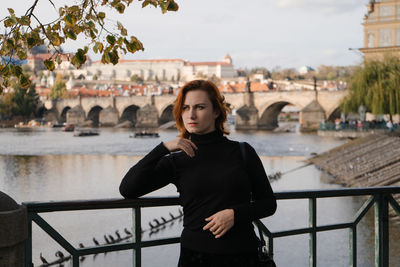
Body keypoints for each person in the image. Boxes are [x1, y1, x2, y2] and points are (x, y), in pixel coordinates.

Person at [119, 80, 277, 267]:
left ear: (216, 111)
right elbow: (128, 189)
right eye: (185, 108)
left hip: (243, 255)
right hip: (195, 258)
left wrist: (235, 214)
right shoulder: (177, 160)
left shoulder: (242, 152)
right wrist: (162, 148)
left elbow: (268, 204)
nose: (191, 114)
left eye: (200, 107)